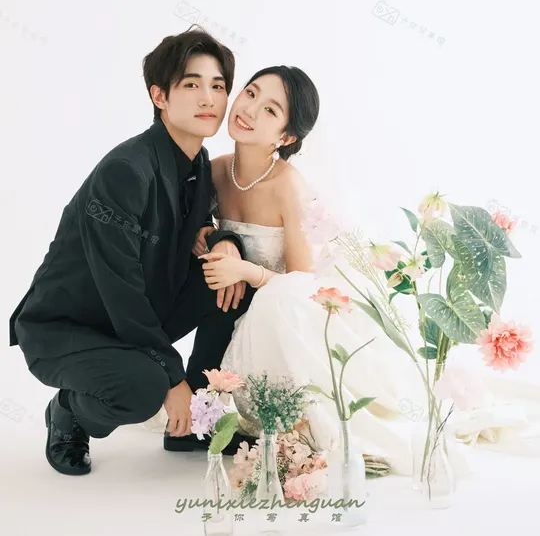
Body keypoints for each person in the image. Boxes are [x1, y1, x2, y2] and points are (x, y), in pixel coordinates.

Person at [142, 64, 540, 476]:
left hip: (286, 312)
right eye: (251, 93)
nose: (250, 109)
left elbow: (301, 284)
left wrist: (246, 271)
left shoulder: (288, 187)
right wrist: (208, 236)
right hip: (229, 305)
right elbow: (190, 226)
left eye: (271, 110)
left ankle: (272, 420)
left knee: (274, 300)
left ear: (286, 136)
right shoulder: (215, 170)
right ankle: (195, 407)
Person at [8, 28, 255, 477]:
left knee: (232, 278)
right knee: (144, 388)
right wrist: (172, 378)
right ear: (159, 96)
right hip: (70, 328)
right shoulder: (125, 171)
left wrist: (223, 243)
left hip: (133, 313)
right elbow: (120, 289)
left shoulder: (197, 161)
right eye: (191, 84)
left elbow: (198, 222)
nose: (209, 98)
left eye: (218, 86)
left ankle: (193, 422)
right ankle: (68, 411)